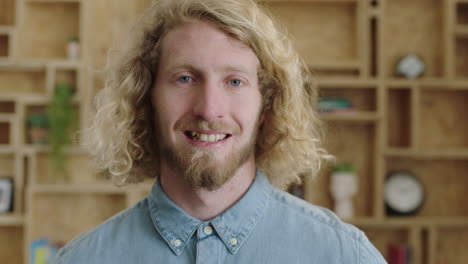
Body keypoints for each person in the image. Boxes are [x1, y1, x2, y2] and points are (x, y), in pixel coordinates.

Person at [53, 0, 387, 263]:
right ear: (146, 99)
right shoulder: (81, 260)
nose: (209, 109)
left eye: (234, 81)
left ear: (265, 106)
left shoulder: (344, 256)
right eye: (185, 78)